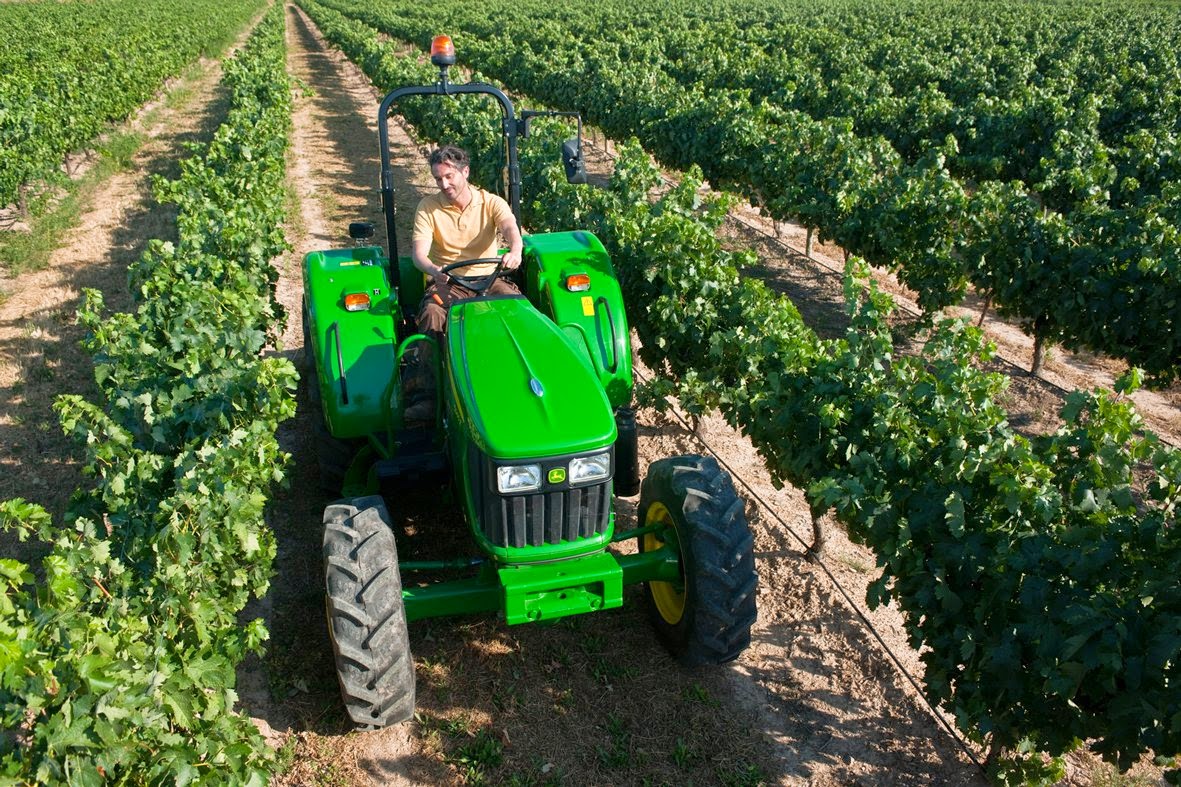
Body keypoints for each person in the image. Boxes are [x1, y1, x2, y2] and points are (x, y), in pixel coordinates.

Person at [403, 144, 524, 423]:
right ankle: (427, 396)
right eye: (437, 179)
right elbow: (419, 255)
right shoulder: (428, 207)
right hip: (448, 282)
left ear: (465, 172)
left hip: (489, 278)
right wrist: (435, 270)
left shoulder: (491, 202)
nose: (443, 184)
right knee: (432, 315)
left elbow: (509, 229)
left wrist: (515, 251)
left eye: (448, 177)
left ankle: (522, 381)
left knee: (518, 310)